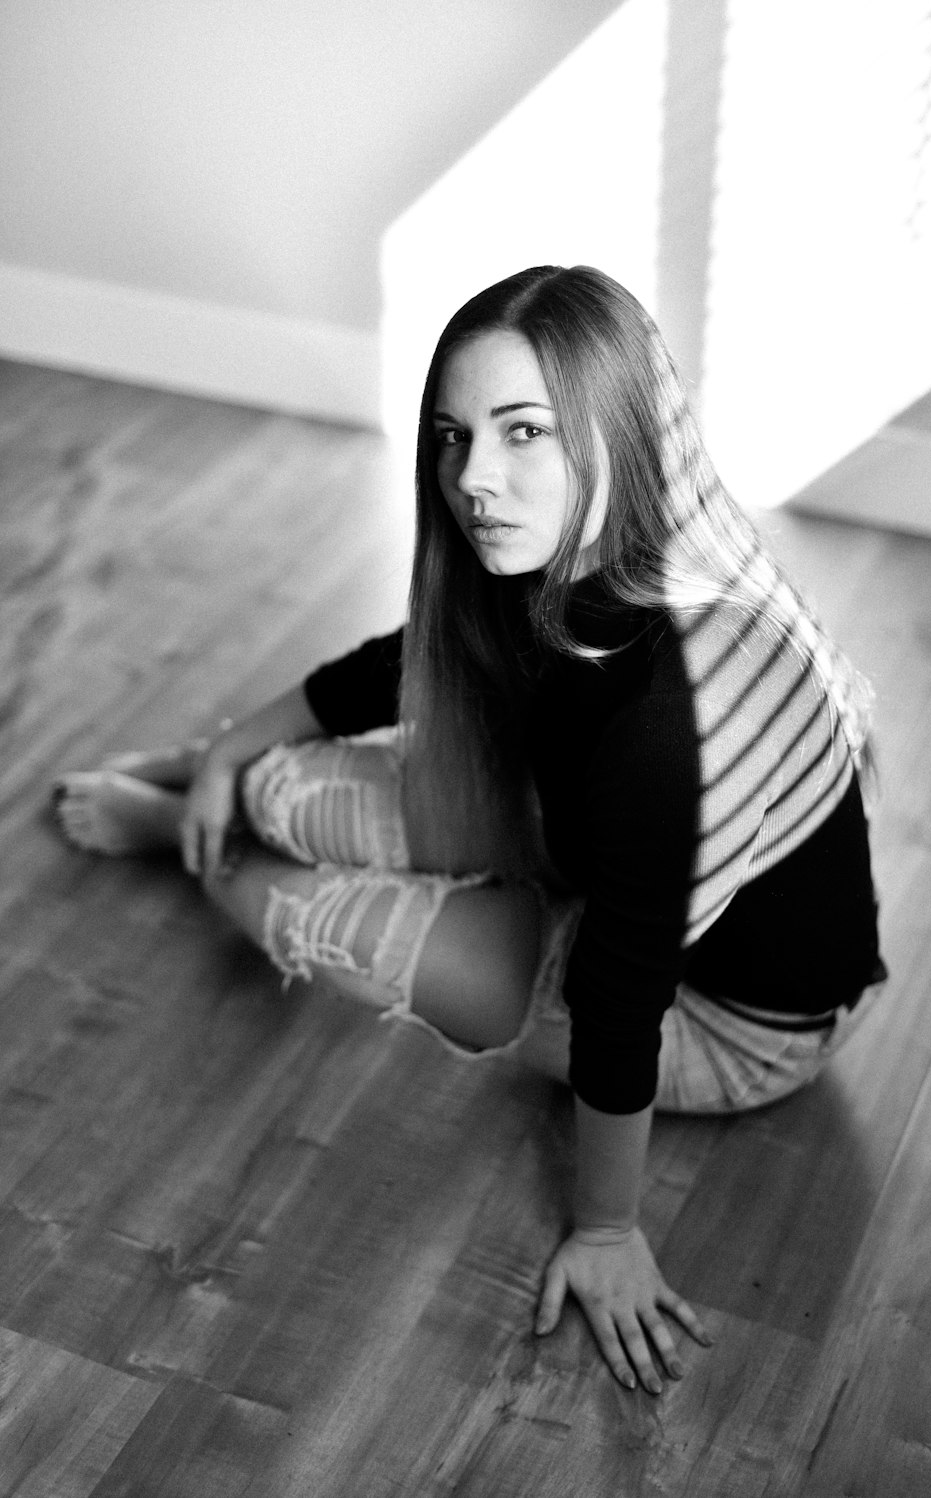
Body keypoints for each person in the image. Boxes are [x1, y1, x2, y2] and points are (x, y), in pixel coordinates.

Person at [54, 264, 887, 1397]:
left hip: (728, 1019)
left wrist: (604, 1231)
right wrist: (237, 747)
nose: (472, 480)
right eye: (451, 437)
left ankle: (179, 831)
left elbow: (622, 985)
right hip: (577, 845)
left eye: (522, 433)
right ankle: (207, 784)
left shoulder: (665, 713)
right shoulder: (555, 546)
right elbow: (410, 660)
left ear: (619, 431)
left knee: (310, 913)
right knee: (287, 786)